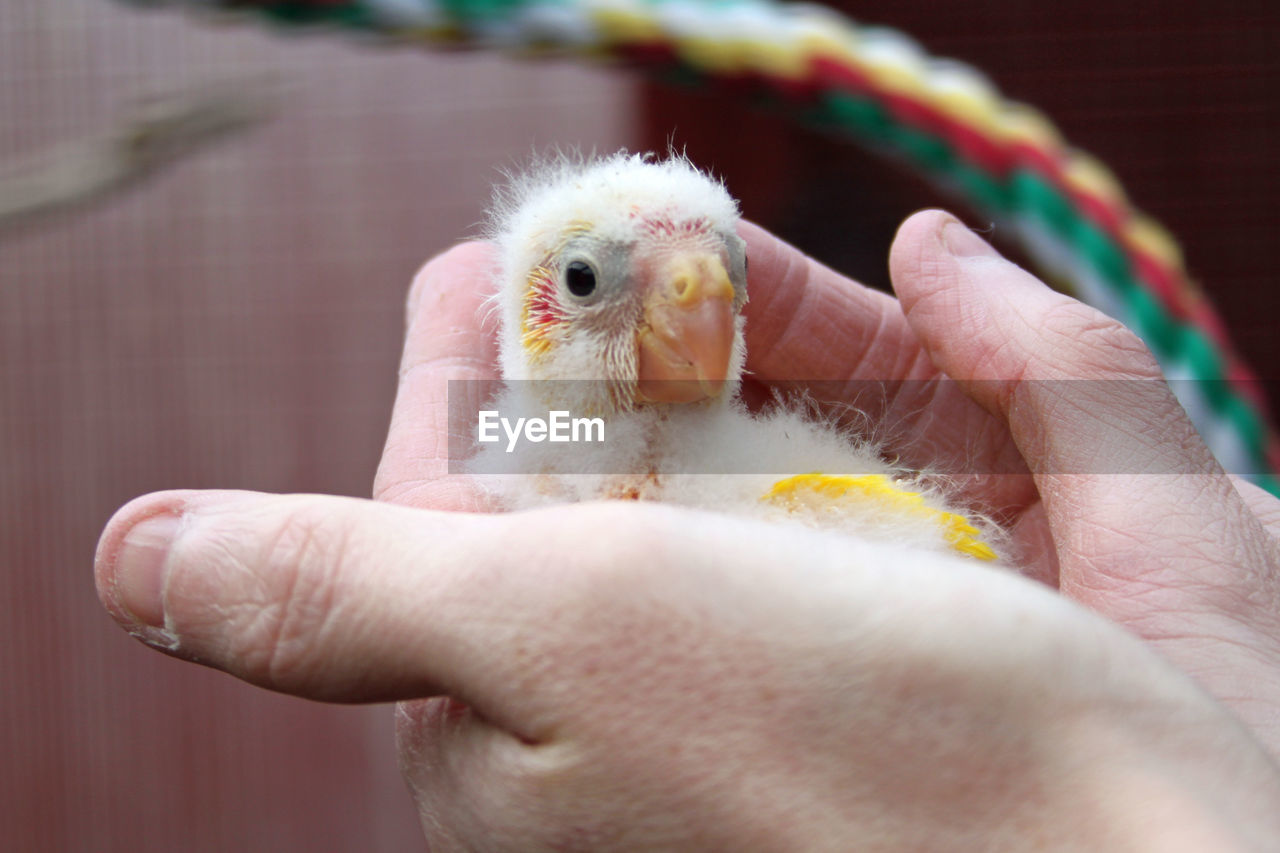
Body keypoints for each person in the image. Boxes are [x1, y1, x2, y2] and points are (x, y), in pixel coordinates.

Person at [94, 210, 1280, 849]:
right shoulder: (547, 485)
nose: (692, 305)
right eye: (591, 279)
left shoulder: (780, 490)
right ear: (526, 315)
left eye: (713, 279)